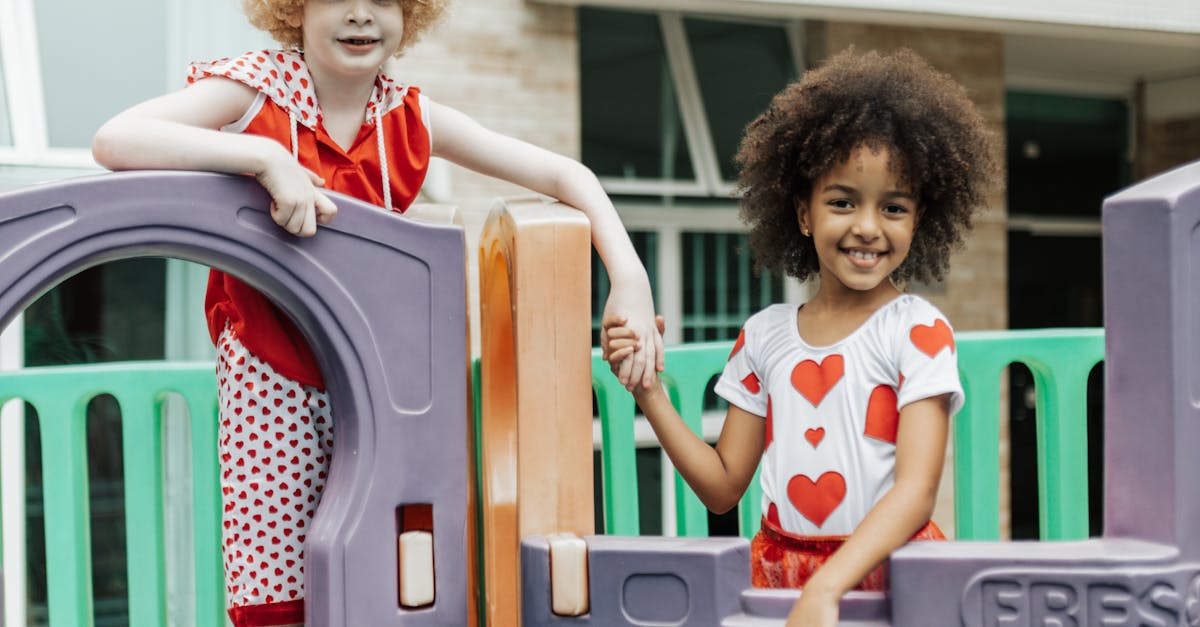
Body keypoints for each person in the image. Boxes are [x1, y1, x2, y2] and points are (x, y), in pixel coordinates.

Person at [92, 0, 662, 624]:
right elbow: (115, 140)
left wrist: (629, 276)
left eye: (384, 0)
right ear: (296, 9)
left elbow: (566, 174)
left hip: (374, 377)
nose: (361, 15)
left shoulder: (406, 117)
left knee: (391, 571)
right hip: (269, 367)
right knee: (273, 592)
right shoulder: (257, 92)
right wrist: (264, 160)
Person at [601, 48, 997, 627]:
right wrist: (648, 392)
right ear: (803, 214)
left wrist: (827, 588)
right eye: (842, 202)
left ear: (919, 220)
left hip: (894, 577)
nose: (867, 226)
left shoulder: (919, 330)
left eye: (893, 206)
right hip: (780, 579)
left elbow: (916, 494)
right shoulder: (764, 336)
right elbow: (721, 489)